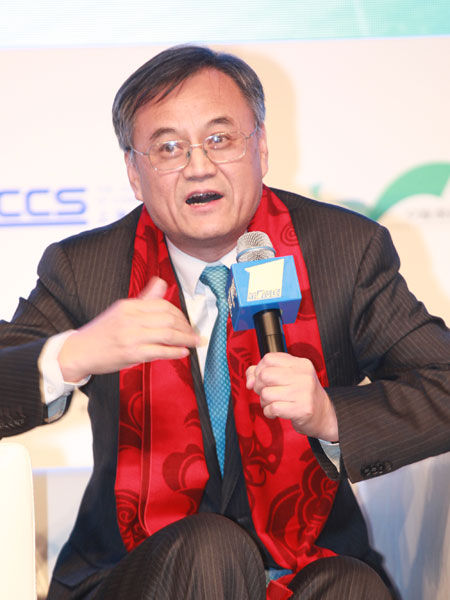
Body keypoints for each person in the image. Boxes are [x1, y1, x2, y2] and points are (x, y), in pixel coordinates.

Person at [0, 44, 449, 600]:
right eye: (168, 147)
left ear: (260, 146)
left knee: (350, 588)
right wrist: (71, 355)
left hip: (310, 559)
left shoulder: (343, 252)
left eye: (220, 139)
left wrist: (330, 414)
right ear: (134, 173)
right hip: (134, 575)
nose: (198, 166)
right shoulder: (87, 269)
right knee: (211, 548)